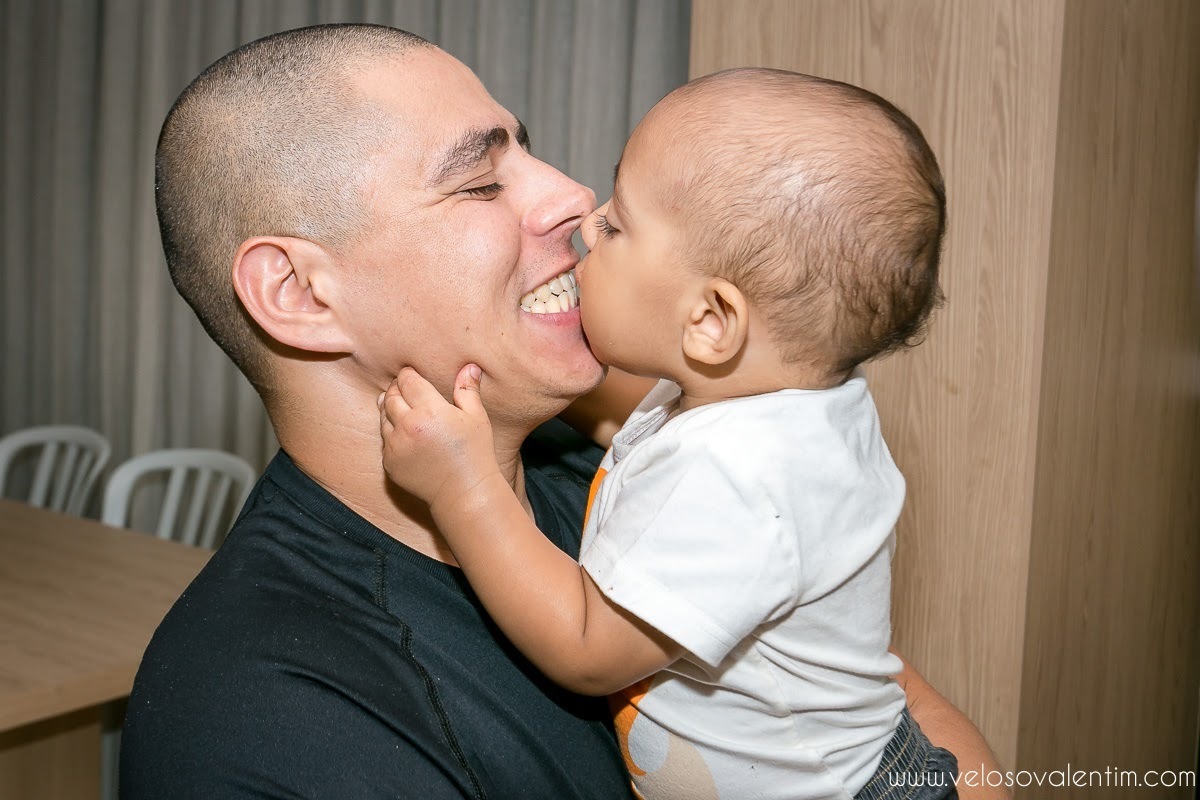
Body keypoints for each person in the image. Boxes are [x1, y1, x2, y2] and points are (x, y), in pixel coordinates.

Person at [121, 22, 1003, 800]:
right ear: (300, 293)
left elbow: (876, 705)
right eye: (480, 182)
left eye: (526, 151)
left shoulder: (645, 451)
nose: (573, 196)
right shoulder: (261, 715)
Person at [378, 68, 955, 800]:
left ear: (710, 322)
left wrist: (464, 488)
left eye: (618, 228)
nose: (588, 220)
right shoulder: (777, 396)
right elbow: (630, 417)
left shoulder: (739, 476)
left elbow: (586, 646)